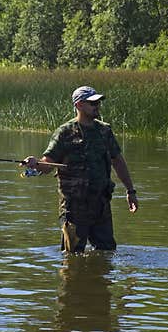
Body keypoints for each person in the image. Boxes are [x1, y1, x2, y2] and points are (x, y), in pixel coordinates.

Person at [24, 86, 138, 253]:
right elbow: (47, 165)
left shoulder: (104, 131)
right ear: (79, 105)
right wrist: (35, 163)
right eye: (92, 103)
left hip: (101, 204)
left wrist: (130, 191)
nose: (97, 106)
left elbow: (118, 162)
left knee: (107, 253)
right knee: (72, 256)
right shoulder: (64, 132)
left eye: (98, 102)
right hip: (73, 207)